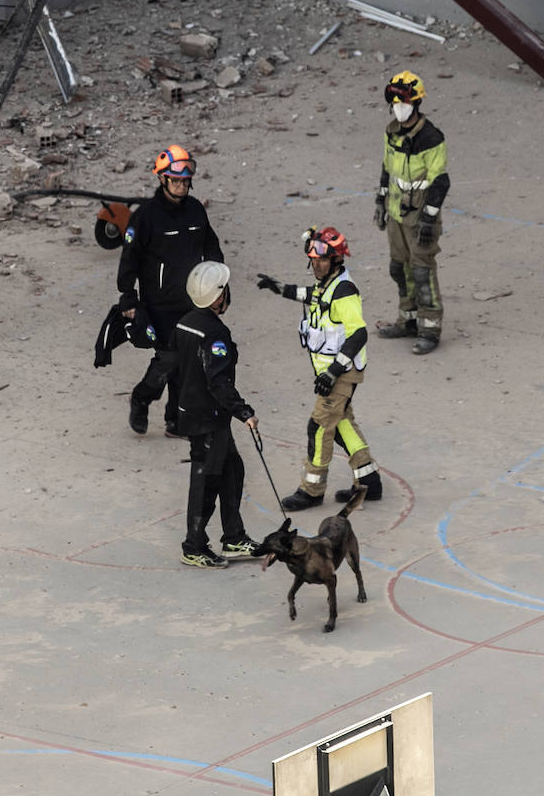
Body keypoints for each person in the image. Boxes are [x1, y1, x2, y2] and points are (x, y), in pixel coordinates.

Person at [256, 226, 382, 511]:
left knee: (319, 426)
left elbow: (358, 334)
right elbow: (310, 294)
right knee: (340, 423)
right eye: (313, 259)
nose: (316, 264)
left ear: (337, 260)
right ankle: (369, 480)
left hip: (340, 372)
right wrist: (279, 288)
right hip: (334, 371)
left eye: (322, 260)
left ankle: (311, 490)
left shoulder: (344, 291)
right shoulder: (328, 283)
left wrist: (333, 372)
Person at [117, 144, 223, 437]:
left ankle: (175, 421)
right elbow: (130, 258)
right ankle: (141, 397)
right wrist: (128, 296)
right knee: (169, 359)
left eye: (185, 181)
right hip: (159, 303)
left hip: (193, 300)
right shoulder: (145, 216)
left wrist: (218, 285)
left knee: (189, 360)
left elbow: (211, 246)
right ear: (162, 179)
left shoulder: (196, 210)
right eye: (175, 180)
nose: (181, 186)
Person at [172, 262, 259, 568]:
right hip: (208, 418)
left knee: (232, 469)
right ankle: (193, 545)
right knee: (207, 481)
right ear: (218, 297)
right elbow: (218, 381)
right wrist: (244, 411)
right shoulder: (215, 333)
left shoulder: (184, 323)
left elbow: (174, 366)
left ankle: (234, 537)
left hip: (198, 413)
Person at [374, 70, 450, 355]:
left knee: (422, 271)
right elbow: (386, 168)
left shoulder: (431, 138)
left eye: (404, 104)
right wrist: (380, 201)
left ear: (416, 104)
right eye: (394, 104)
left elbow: (440, 181)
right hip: (396, 214)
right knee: (399, 268)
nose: (399, 109)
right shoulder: (391, 133)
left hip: (420, 217)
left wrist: (429, 218)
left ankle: (430, 328)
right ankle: (406, 320)